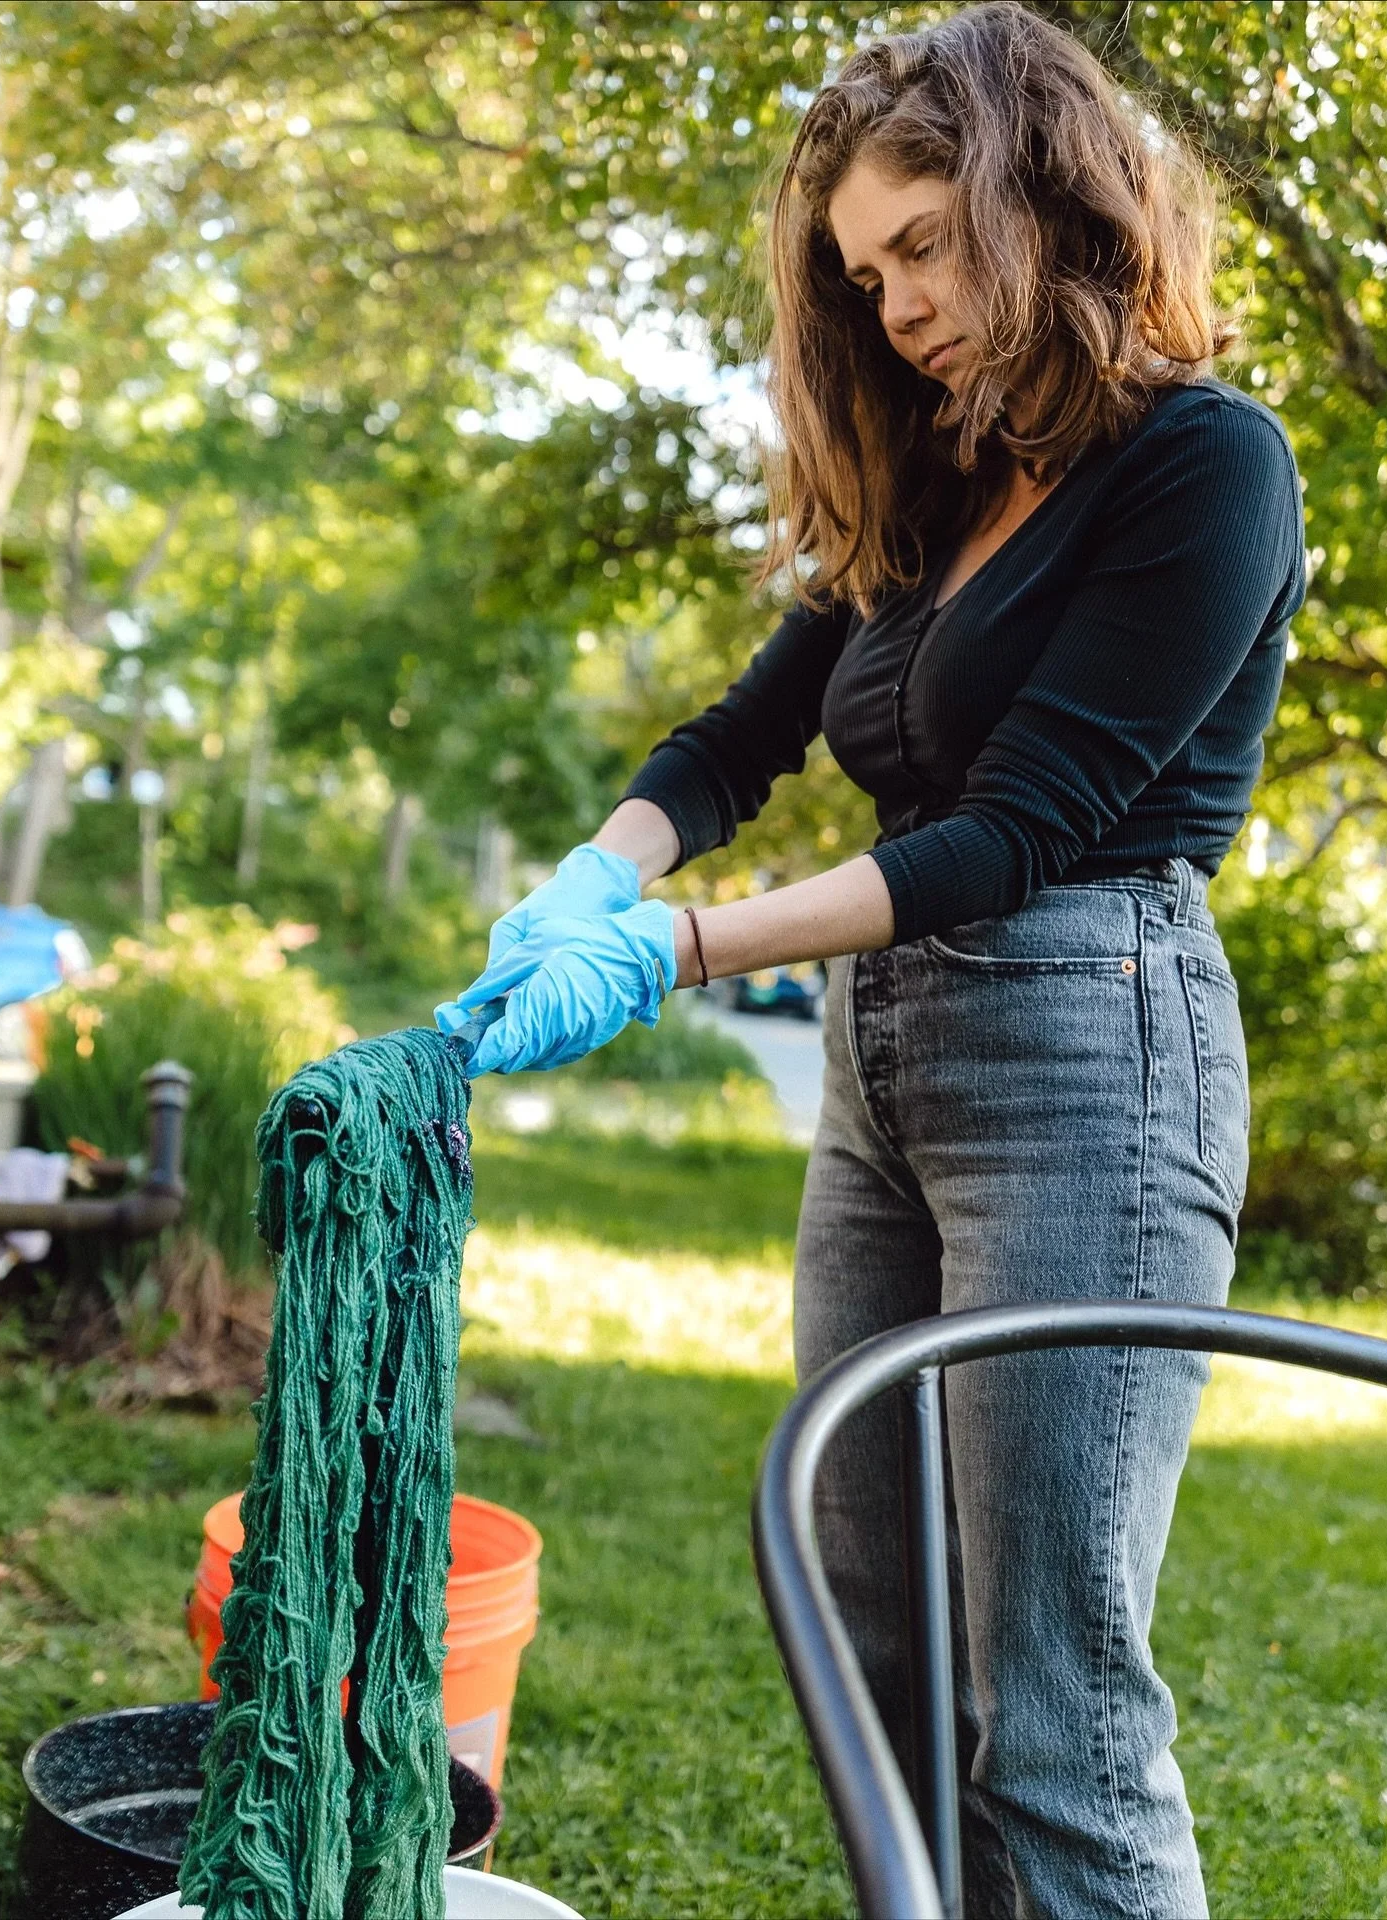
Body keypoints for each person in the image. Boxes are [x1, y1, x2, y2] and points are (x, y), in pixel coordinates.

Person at [437, 5, 1306, 1913]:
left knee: (1055, 1707)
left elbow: (1007, 835)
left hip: (1096, 1054)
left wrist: (673, 949)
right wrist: (596, 876)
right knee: (879, 1645)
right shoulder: (927, 492)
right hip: (887, 1081)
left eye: (921, 247)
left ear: (1041, 200)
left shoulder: (1205, 467)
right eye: (862, 271)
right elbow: (733, 744)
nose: (895, 303)